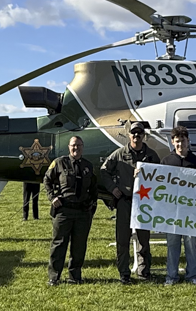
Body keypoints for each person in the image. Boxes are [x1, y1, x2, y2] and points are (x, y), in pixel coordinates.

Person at [100, 122, 161, 284]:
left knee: (143, 239)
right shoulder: (119, 154)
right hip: (124, 201)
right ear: (129, 135)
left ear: (144, 135)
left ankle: (144, 271)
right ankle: (124, 273)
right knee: (122, 239)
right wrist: (113, 188)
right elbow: (104, 171)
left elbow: (160, 176)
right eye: (133, 133)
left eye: (139, 133)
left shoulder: (152, 156)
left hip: (144, 203)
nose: (136, 135)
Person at [43, 136, 98, 286]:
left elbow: (93, 188)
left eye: (79, 145)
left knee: (79, 246)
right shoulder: (59, 163)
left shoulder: (88, 166)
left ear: (83, 147)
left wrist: (92, 206)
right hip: (63, 211)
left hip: (82, 212)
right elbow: (47, 180)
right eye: (73, 145)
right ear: (69, 147)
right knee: (59, 244)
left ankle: (75, 276)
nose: (76, 148)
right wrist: (52, 197)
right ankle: (54, 277)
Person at [162, 125, 196, 287]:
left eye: (183, 141)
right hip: (171, 211)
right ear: (173, 142)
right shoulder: (166, 162)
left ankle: (193, 275)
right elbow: (157, 183)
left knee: (191, 243)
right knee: (172, 244)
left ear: (188, 141)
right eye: (177, 141)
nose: (180, 144)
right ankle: (171, 276)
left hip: (191, 211)